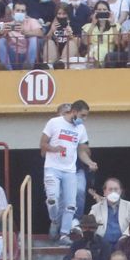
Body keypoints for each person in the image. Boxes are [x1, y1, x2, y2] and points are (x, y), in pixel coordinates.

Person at [41, 98, 96, 238]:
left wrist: (89, 162)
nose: (84, 118)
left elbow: (82, 150)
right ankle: (54, 220)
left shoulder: (80, 128)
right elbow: (42, 145)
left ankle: (64, 234)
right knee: (53, 199)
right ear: (74, 111)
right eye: (83, 115)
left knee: (71, 204)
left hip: (70, 170)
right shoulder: (54, 122)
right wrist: (54, 149)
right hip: (52, 168)